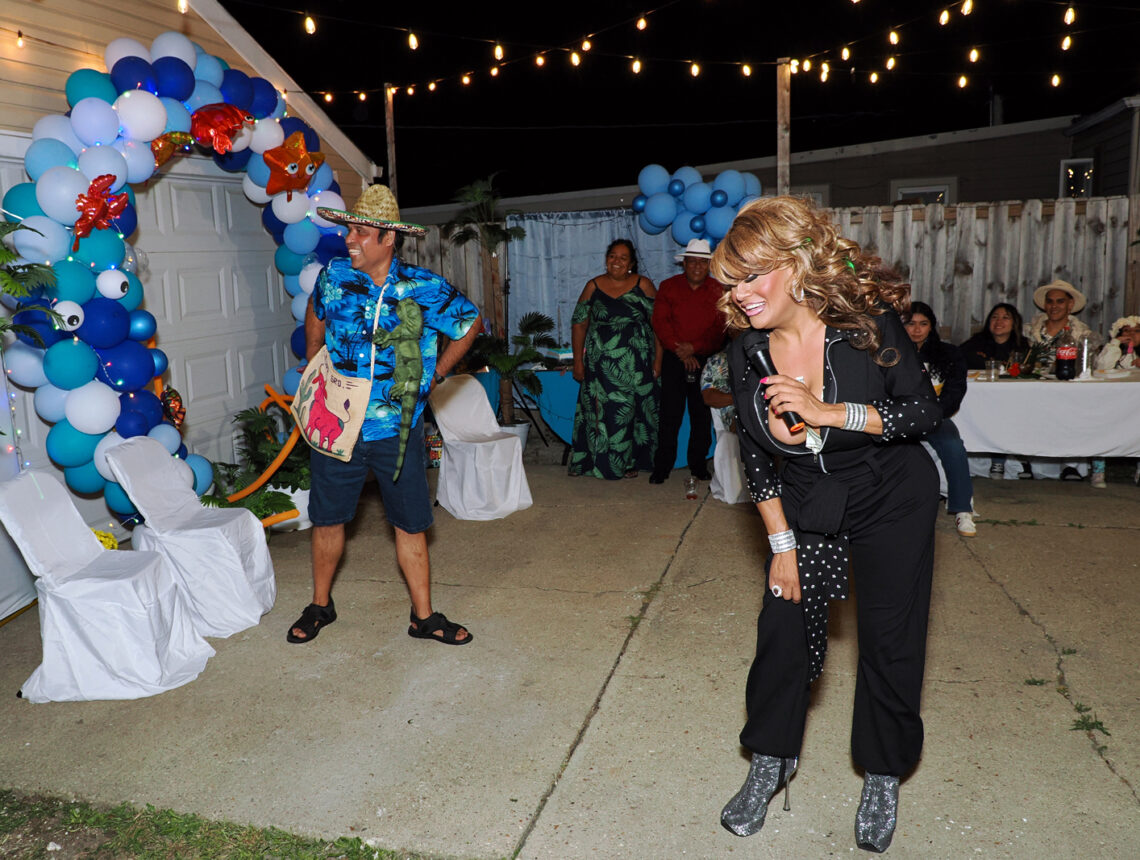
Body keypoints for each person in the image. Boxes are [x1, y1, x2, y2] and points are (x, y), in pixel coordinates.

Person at [712, 197, 941, 854]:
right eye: (732, 281)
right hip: (807, 499)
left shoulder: (866, 327)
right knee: (781, 630)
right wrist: (781, 544)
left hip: (891, 493)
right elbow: (755, 456)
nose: (741, 294)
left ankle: (883, 773)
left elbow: (922, 414)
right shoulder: (747, 349)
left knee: (891, 641)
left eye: (753, 276)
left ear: (796, 264)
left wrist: (827, 411)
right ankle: (771, 759)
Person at [287, 184, 481, 646]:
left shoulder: (423, 287)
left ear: (387, 238)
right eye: (349, 230)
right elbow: (316, 309)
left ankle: (423, 618)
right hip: (337, 425)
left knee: (410, 523)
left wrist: (437, 373)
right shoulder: (334, 276)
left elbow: (469, 321)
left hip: (397, 428)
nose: (349, 239)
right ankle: (320, 605)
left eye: (359, 232)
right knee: (327, 518)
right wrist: (313, 356)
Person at [568, 239, 660, 479]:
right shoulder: (593, 286)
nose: (616, 261)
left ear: (631, 263)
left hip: (636, 366)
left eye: (623, 257)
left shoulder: (644, 285)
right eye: (612, 256)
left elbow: (659, 326)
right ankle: (593, 462)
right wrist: (577, 362)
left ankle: (629, 463)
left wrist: (658, 361)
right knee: (599, 413)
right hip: (599, 366)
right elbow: (579, 324)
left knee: (631, 413)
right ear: (606, 259)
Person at [650, 238, 726, 484]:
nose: (697, 266)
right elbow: (660, 322)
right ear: (683, 263)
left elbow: (720, 330)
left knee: (701, 415)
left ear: (709, 265)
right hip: (674, 358)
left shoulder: (718, 290)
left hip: (706, 361)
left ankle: (698, 465)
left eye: (702, 262)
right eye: (692, 261)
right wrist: (681, 351)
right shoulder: (668, 287)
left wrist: (694, 348)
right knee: (669, 415)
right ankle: (662, 467)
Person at [903, 302, 977, 536]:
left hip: (935, 415)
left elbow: (955, 391)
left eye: (923, 324)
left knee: (953, 444)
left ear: (931, 326)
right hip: (899, 415)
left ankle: (963, 509)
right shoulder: (891, 351)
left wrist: (934, 414)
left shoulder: (948, 354)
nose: (917, 330)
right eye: (911, 324)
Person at [1088, 315, 1140, 488]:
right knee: (1102, 430)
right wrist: (1115, 344)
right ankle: (1098, 470)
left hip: (1136, 405)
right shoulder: (1114, 350)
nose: (1131, 334)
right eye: (1126, 331)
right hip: (1112, 403)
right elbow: (1102, 365)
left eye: (1137, 331)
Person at [1025, 280, 1098, 369]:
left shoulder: (1083, 336)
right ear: (1045, 304)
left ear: (1070, 304)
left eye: (1060, 301)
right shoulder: (1027, 333)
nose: (1054, 306)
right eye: (1049, 301)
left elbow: (1094, 366)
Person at [958, 302, 1029, 369]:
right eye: (995, 317)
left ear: (1014, 323)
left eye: (1005, 317)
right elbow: (957, 355)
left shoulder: (1023, 346)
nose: (998, 321)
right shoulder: (976, 342)